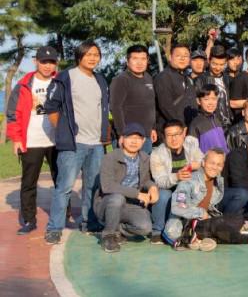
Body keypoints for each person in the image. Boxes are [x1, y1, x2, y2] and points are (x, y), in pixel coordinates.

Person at [44, 40, 111, 244]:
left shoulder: (100, 80)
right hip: (74, 143)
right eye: (88, 54)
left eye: (96, 54)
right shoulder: (66, 77)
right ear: (79, 56)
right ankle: (54, 227)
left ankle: (89, 222)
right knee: (64, 187)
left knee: (92, 186)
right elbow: (51, 107)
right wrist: (64, 131)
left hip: (96, 144)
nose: (93, 58)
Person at [164, 148, 248, 250]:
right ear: (203, 163)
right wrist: (200, 213)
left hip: (205, 223)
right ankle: (243, 239)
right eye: (212, 163)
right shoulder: (188, 181)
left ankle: (203, 239)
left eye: (219, 164)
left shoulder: (217, 183)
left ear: (222, 167)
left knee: (238, 219)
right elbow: (178, 207)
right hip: (187, 223)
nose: (215, 167)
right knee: (219, 224)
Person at [6, 46, 60, 235]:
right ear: (36, 62)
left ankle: (64, 214)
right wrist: (16, 139)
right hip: (31, 141)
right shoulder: (23, 85)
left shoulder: (60, 82)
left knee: (61, 180)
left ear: (56, 63)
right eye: (44, 62)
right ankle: (29, 220)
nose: (47, 66)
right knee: (29, 182)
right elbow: (12, 114)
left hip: (57, 141)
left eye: (51, 62)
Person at [94, 123, 159, 253]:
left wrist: (152, 187)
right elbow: (107, 186)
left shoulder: (145, 158)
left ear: (143, 141)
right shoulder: (109, 157)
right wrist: (137, 194)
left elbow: (145, 180)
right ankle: (108, 236)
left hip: (131, 205)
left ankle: (117, 229)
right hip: (108, 204)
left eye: (138, 138)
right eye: (130, 137)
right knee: (117, 198)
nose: (134, 141)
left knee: (145, 228)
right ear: (122, 139)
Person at [149, 120, 203, 244]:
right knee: (163, 195)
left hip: (187, 188)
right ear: (164, 137)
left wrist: (197, 165)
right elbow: (159, 181)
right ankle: (157, 231)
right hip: (169, 188)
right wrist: (176, 177)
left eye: (177, 134)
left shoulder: (191, 146)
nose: (174, 139)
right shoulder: (157, 154)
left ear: (184, 133)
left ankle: (190, 228)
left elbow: (203, 161)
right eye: (169, 135)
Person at [110, 45, 157, 154]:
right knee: (126, 165)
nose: (139, 63)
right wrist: (122, 133)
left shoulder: (148, 78)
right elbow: (115, 108)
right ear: (127, 61)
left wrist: (153, 128)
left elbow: (151, 105)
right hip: (129, 137)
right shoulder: (121, 80)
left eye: (143, 59)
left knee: (144, 164)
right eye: (135, 58)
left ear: (147, 61)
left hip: (146, 135)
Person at [196, 45, 234, 130]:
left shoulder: (229, 79)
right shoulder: (201, 79)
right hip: (209, 125)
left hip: (229, 125)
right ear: (209, 61)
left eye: (222, 64)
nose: (218, 67)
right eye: (214, 64)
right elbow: (196, 103)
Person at [188, 84, 228, 154]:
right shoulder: (196, 124)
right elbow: (192, 151)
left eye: (214, 99)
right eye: (206, 99)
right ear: (198, 101)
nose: (211, 103)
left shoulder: (217, 119)